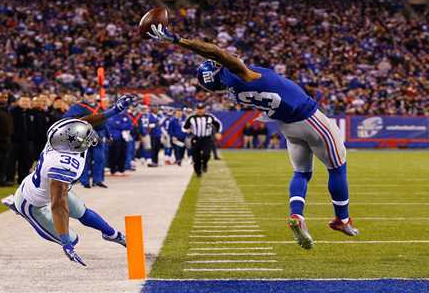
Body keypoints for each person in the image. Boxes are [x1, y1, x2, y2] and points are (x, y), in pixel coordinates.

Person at [147, 23, 358, 249]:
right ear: (220, 69)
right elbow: (217, 52)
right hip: (310, 119)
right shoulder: (239, 74)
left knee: (301, 173)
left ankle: (297, 215)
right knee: (337, 168)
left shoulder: (232, 90)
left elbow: (220, 57)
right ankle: (342, 219)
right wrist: (178, 41)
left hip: (287, 127)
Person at [0, 94, 135, 266]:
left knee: (82, 212)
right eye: (87, 137)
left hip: (46, 185)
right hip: (32, 203)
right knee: (73, 238)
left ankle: (112, 234)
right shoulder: (61, 167)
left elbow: (84, 122)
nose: (90, 136)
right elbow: (58, 205)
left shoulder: (61, 132)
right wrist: (66, 242)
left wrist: (114, 111)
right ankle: (18, 208)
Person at [64, 88, 108, 188]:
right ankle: (85, 181)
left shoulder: (100, 106)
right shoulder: (78, 107)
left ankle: (98, 180)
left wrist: (108, 134)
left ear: (95, 95)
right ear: (84, 96)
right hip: (84, 134)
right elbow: (66, 118)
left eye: (92, 94)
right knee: (85, 158)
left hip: (99, 135)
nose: (90, 96)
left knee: (99, 158)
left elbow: (105, 120)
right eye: (88, 94)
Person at [183, 103, 222, 177]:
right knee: (196, 157)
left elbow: (218, 124)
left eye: (201, 109)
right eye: (199, 109)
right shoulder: (191, 118)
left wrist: (218, 133)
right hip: (196, 138)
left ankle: (204, 164)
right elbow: (185, 127)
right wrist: (186, 131)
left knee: (206, 154)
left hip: (206, 139)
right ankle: (198, 172)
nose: (200, 110)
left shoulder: (210, 117)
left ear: (204, 109)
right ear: (196, 109)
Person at [8, 96, 35, 184]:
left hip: (27, 141)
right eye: (23, 101)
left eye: (27, 101)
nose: (25, 103)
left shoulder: (31, 112)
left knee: (24, 161)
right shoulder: (13, 112)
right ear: (19, 102)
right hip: (14, 141)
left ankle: (22, 179)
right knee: (12, 161)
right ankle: (10, 179)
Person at [106, 111, 132, 176]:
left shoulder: (126, 116)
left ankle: (121, 169)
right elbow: (114, 124)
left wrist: (121, 125)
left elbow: (130, 125)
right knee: (115, 154)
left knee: (123, 153)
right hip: (115, 137)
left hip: (124, 137)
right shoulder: (113, 115)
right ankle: (113, 170)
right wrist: (123, 125)